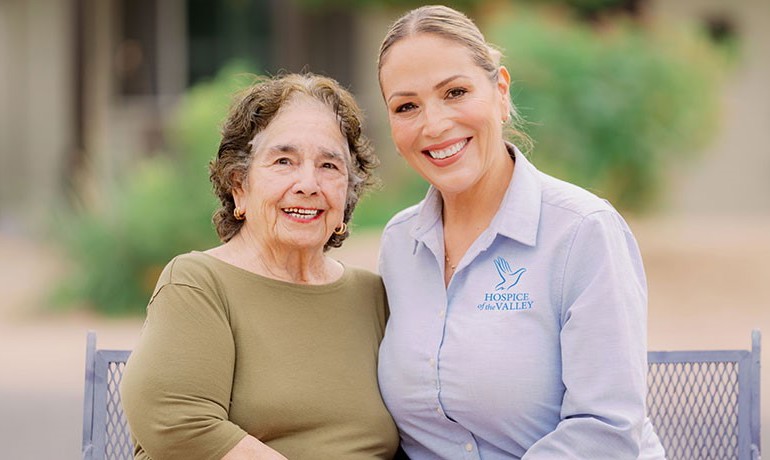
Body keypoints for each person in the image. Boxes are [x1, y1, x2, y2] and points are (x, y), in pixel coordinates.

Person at [375, 5, 666, 459]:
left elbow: (608, 432)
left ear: (501, 93)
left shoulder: (582, 232)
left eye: (455, 92)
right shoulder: (398, 244)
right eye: (406, 106)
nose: (433, 125)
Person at [120, 73, 400, 460]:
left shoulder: (373, 297)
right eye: (284, 161)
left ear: (348, 195)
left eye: (329, 166)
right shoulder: (199, 282)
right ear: (239, 185)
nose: (308, 183)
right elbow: (176, 418)